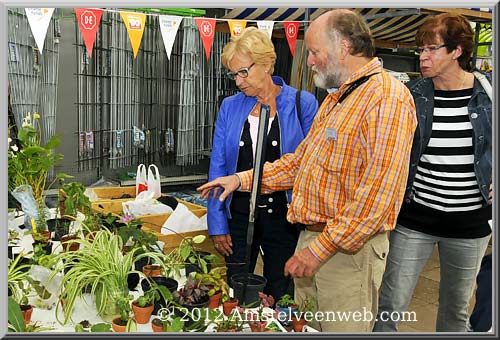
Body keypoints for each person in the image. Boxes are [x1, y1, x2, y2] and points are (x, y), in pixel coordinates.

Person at [199, 9, 417, 332]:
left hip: (346, 254)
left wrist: (317, 251)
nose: (310, 61)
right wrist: (241, 178)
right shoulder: (338, 100)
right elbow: (301, 163)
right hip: (315, 241)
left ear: (343, 46)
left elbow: (375, 201)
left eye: (314, 52)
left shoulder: (386, 99)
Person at [374, 13, 492, 332]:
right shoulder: (412, 95)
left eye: (432, 49)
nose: (423, 57)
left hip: (470, 224)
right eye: (420, 50)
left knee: (455, 313)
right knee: (389, 305)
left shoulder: (489, 94)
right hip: (416, 219)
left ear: (456, 51)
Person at [207, 27, 319, 303]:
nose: (238, 81)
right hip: (238, 213)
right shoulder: (230, 107)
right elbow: (219, 166)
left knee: (280, 290)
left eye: (243, 72)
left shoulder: (302, 103)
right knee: (236, 290)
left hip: (284, 216)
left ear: (267, 64)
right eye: (234, 74)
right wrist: (217, 221)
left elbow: (311, 163)